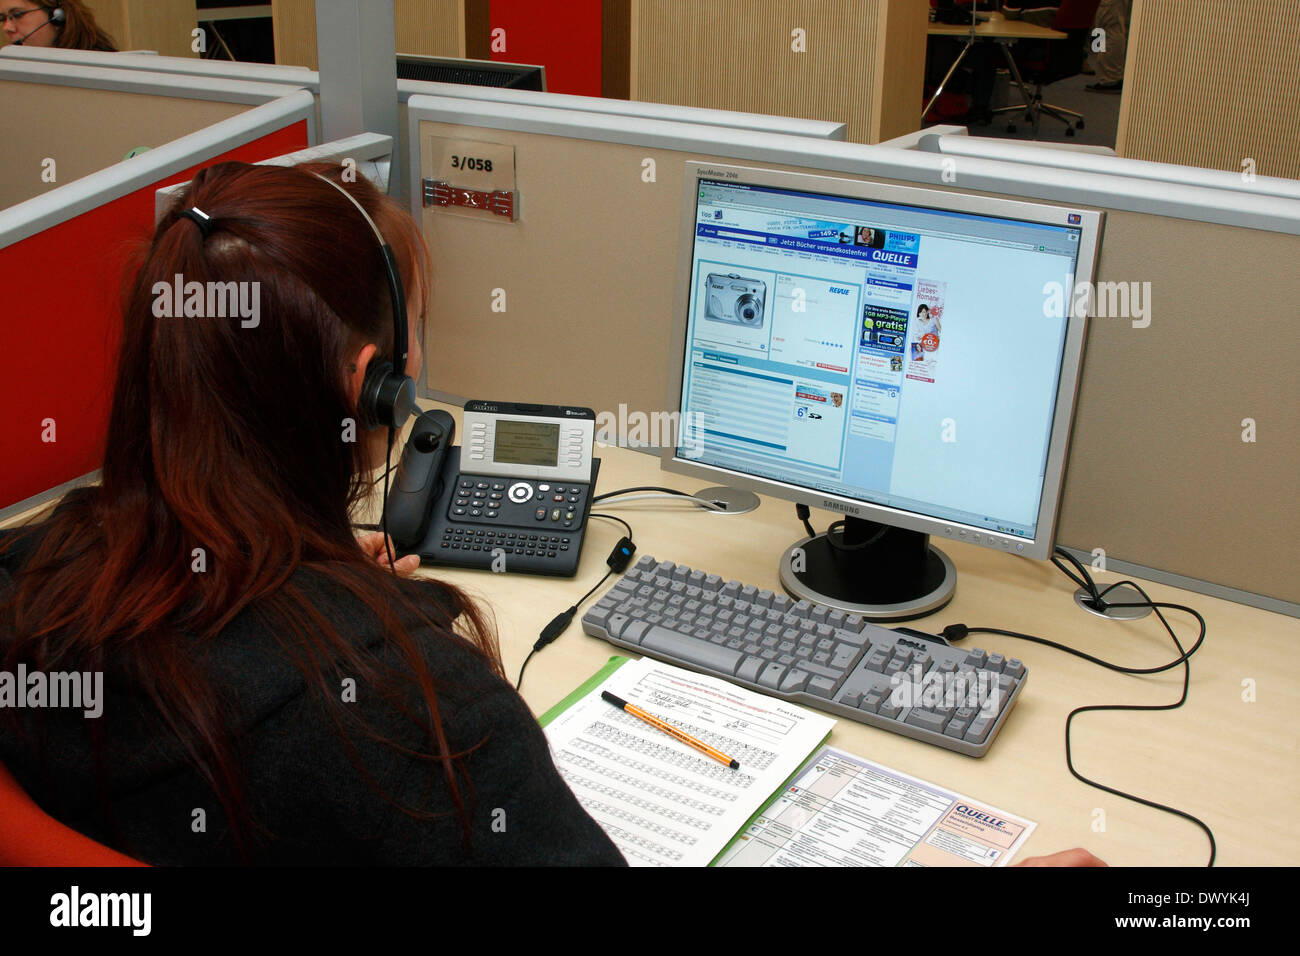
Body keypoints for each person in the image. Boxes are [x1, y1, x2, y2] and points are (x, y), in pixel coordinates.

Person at [0, 162, 624, 865]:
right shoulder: (427, 721)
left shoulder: (28, 582)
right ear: (370, 385)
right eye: (415, 326)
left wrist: (302, 577)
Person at [1, 1, 117, 51]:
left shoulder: (104, 69)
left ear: (57, 16)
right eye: (2, 19)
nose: (7, 28)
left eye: (18, 15)